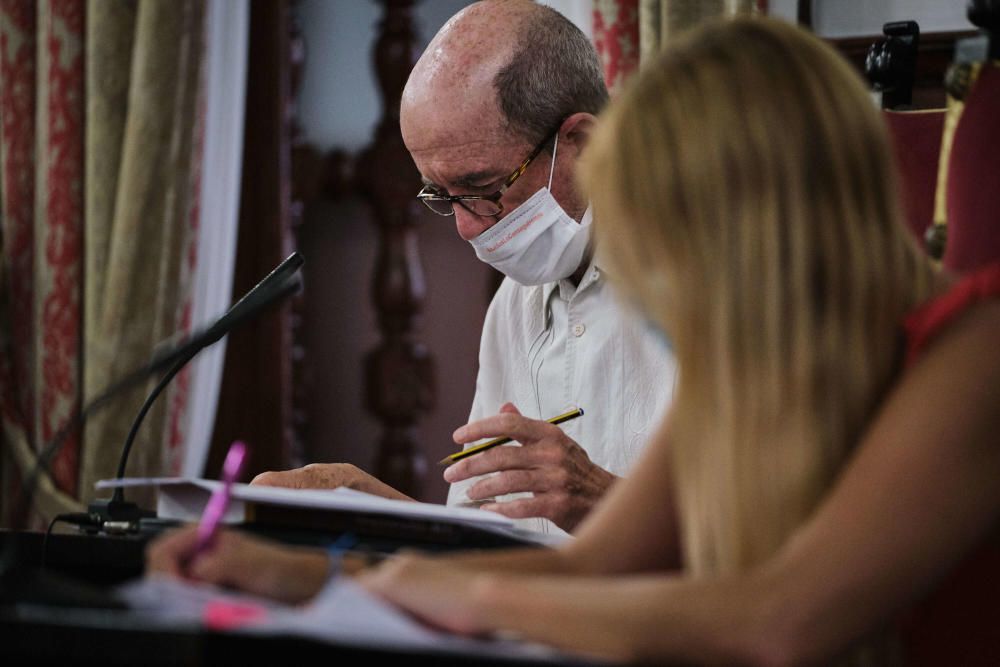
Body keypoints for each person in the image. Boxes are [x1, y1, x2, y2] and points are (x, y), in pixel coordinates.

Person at [148, 16, 1000, 665]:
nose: (654, 280)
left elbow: (776, 618)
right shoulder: (765, 355)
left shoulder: (977, 353)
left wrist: (459, 595)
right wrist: (310, 578)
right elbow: (585, 568)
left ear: (772, 223)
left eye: (664, 238)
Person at [251, 0, 675, 536]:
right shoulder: (514, 307)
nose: (467, 229)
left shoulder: (725, 280)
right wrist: (363, 500)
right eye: (441, 195)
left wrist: (604, 502)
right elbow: (483, 541)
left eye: (482, 189)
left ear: (582, 144)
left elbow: (779, 560)